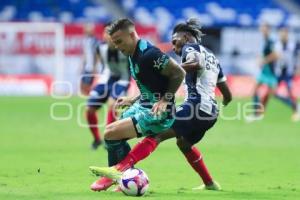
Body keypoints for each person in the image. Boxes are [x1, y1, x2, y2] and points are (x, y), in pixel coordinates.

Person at [90, 18, 232, 191]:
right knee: (184, 144)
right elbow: (227, 95)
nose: (174, 47)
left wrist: (168, 68)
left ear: (186, 37)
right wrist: (223, 101)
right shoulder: (213, 57)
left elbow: (195, 63)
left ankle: (119, 169)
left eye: (175, 41)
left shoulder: (190, 47)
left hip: (195, 106)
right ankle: (210, 184)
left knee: (157, 135)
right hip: (211, 112)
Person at [86, 23, 131, 150]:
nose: (108, 36)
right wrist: (92, 78)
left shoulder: (126, 48)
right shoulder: (100, 48)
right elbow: (100, 63)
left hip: (122, 79)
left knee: (112, 103)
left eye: (111, 33)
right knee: (89, 109)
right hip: (105, 79)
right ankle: (96, 139)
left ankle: (109, 138)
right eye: (106, 32)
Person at [246, 23, 278, 122]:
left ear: (267, 29)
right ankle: (257, 113)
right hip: (265, 70)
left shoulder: (271, 40)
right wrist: (261, 59)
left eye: (263, 28)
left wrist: (264, 61)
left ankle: (258, 113)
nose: (261, 30)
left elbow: (275, 55)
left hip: (270, 71)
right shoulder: (266, 41)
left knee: (269, 93)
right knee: (257, 90)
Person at [273, 27, 299, 121]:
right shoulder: (277, 45)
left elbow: (297, 56)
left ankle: (296, 111)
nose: (283, 35)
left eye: (284, 33)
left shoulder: (293, 45)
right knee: (274, 92)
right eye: (281, 33)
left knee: (290, 92)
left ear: (287, 34)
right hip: (279, 72)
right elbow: (274, 57)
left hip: (289, 72)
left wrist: (297, 68)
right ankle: (294, 105)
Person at [80, 23, 100, 96]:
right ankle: (83, 97)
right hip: (86, 66)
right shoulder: (85, 40)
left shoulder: (95, 41)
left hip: (91, 67)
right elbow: (85, 54)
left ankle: (87, 99)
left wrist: (95, 66)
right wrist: (82, 65)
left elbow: (97, 54)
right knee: (82, 84)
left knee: (87, 85)